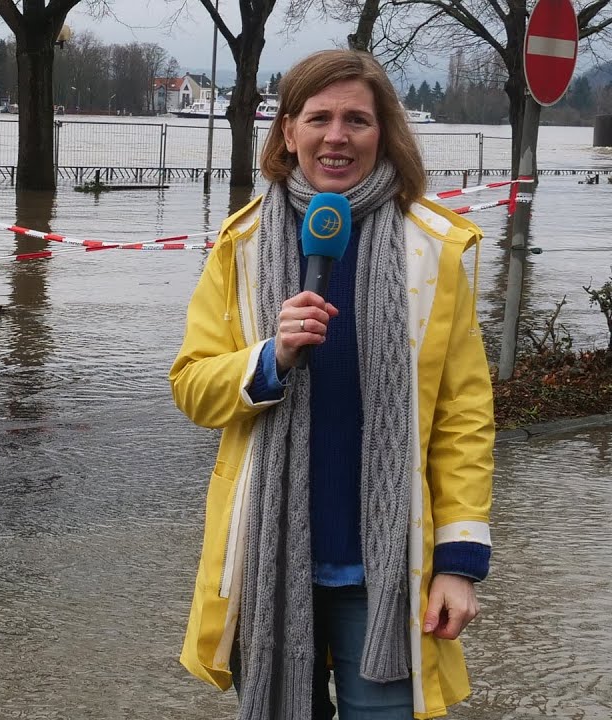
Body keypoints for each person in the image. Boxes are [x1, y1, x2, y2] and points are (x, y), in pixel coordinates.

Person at [168, 49, 494, 720]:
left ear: (385, 133)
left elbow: (463, 415)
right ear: (288, 132)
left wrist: (458, 563)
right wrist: (269, 358)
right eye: (318, 117)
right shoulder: (244, 245)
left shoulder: (433, 250)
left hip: (385, 571)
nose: (337, 137)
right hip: (268, 560)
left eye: (357, 120)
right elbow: (193, 387)